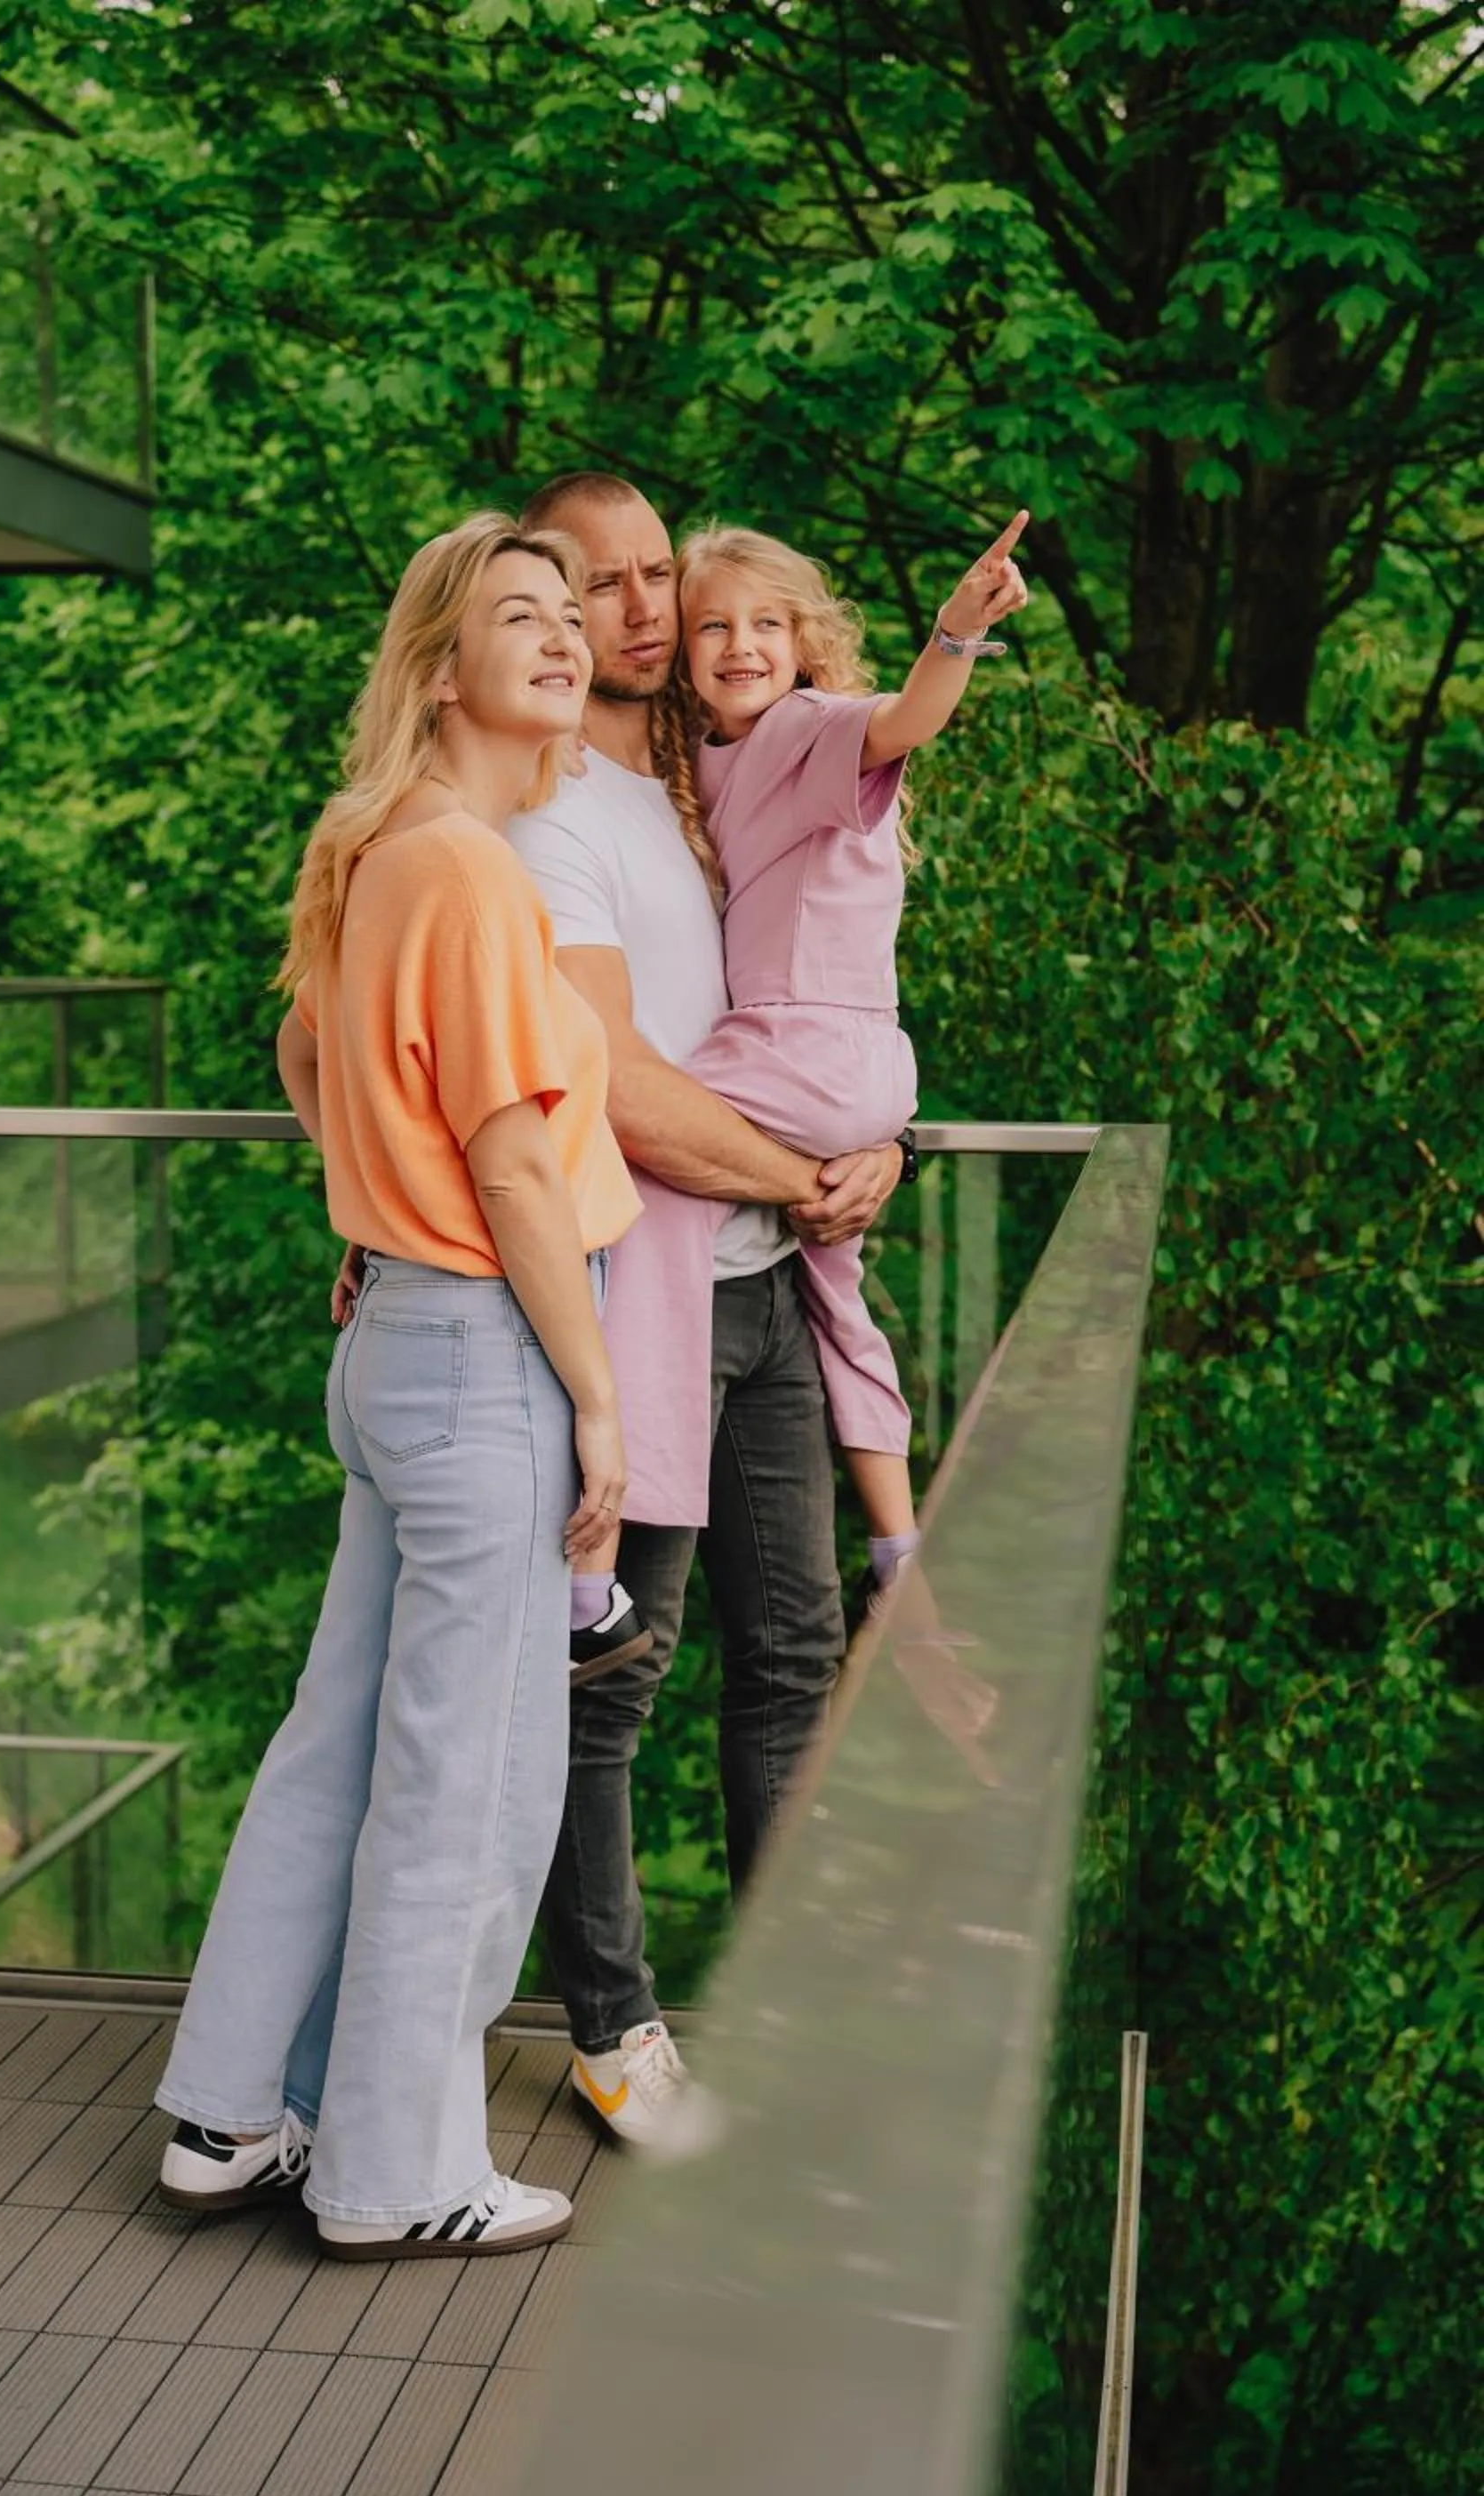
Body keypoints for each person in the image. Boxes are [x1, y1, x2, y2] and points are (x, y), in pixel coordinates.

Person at [154, 511, 640, 2258]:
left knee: (342, 1749)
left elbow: (311, 1055)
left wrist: (371, 1194)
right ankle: (391, 2173)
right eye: (522, 614)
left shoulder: (384, 849)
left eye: (571, 614)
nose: (566, 636)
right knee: (471, 1789)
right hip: (491, 1352)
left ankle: (231, 2113)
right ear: (444, 666)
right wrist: (595, 1397)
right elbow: (515, 1168)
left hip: (401, 1349)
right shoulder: (469, 873)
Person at [503, 473, 906, 2152]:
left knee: (797, 1660)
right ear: (548, 612)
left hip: (764, 1289)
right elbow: (621, 1091)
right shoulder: (551, 818)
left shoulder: (701, 772)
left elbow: (807, 982)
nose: (653, 608)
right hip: (644, 1292)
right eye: (607, 586)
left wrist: (870, 1134)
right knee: (616, 1674)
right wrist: (807, 1171)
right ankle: (612, 2024)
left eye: (662, 573)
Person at [572, 512, 1030, 1632]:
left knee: (645, 1162)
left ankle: (598, 1554)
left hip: (800, 1052)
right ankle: (898, 1544)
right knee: (837, 1298)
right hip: (857, 1072)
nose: (739, 646)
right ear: (681, 653)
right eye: (713, 627)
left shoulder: (801, 730)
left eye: (766, 624)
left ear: (804, 641)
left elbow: (901, 718)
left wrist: (954, 637)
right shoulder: (709, 765)